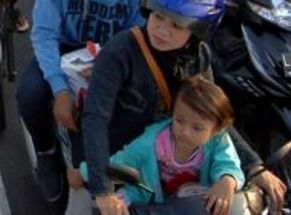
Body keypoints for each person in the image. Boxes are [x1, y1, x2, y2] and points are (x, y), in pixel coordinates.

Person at [82, 0, 286, 215]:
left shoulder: (198, 57)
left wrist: (254, 166)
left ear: (198, 30)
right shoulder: (120, 52)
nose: (162, 30)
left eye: (177, 25)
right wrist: (103, 190)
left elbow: (212, 116)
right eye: (158, 16)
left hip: (177, 163)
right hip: (126, 166)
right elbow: (95, 119)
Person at [19, 0, 149, 206]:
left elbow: (136, 40)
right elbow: (45, 34)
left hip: (112, 59)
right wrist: (60, 90)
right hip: (63, 50)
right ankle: (45, 151)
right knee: (30, 95)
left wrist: (108, 68)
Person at [87, 74, 246, 214]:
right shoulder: (153, 141)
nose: (185, 132)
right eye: (179, 120)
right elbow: (119, 162)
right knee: (111, 206)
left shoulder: (218, 141)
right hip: (148, 196)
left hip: (191, 198)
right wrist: (83, 172)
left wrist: (227, 180)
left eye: (197, 128)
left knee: (215, 205)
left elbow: (228, 164)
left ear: (215, 129)